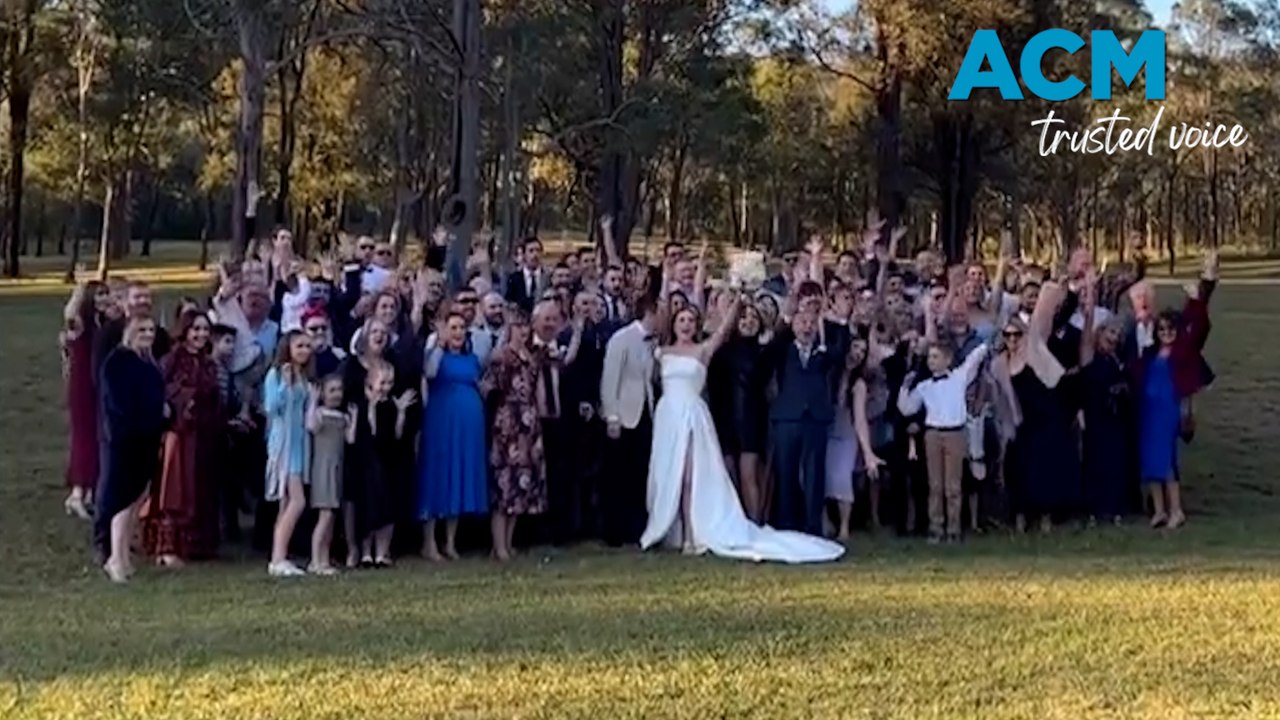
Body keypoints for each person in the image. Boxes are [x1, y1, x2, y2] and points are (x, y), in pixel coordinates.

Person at [641, 292, 844, 563]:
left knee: (691, 476)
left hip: (692, 416)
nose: (686, 324)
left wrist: (737, 296)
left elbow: (725, 328)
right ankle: (668, 530)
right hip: (668, 416)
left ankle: (692, 535)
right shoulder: (661, 352)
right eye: (681, 319)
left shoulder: (705, 349)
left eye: (691, 320)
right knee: (668, 474)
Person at [1133, 252, 1217, 529]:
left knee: (1166, 459)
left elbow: (1200, 327)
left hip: (1169, 410)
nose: (1166, 332)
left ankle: (1176, 510)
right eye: (1162, 329)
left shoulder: (1184, 351)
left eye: (1171, 329)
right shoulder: (1150, 352)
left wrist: (1195, 299)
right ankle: (1158, 511)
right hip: (1148, 410)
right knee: (1149, 460)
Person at [141, 310, 223, 567]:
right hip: (180, 435)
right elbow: (161, 392)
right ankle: (168, 548)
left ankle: (198, 545)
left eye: (205, 329)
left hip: (205, 437)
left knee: (201, 489)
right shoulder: (172, 360)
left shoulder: (210, 363)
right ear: (185, 331)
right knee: (176, 491)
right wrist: (185, 400)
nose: (201, 334)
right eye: (195, 329)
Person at [761, 309, 849, 536]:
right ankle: (786, 526)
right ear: (794, 326)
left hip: (815, 420)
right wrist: (786, 320)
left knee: (814, 475)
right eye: (802, 322)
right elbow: (769, 352)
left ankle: (812, 527)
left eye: (811, 323)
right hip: (787, 418)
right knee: (786, 473)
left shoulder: (823, 354)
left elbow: (842, 352)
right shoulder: (784, 350)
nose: (807, 327)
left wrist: (840, 321)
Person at [96, 316, 168, 582]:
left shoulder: (148, 362)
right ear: (129, 333)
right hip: (127, 441)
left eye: (151, 330)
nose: (147, 334)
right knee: (123, 501)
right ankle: (115, 558)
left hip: (147, 439)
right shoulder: (118, 362)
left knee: (137, 500)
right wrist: (149, 416)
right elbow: (118, 403)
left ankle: (124, 556)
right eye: (141, 330)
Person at [896, 341, 990, 543]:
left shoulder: (959, 377)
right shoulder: (924, 387)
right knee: (935, 484)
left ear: (948, 360)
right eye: (930, 357)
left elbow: (976, 357)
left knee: (953, 485)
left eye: (936, 357)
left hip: (955, 433)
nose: (931, 361)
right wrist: (904, 387)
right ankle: (936, 526)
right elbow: (907, 408)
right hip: (933, 434)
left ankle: (954, 527)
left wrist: (988, 341)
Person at [418, 312, 488, 561]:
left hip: (468, 427)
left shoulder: (473, 359)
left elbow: (479, 384)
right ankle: (429, 542)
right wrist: (439, 342)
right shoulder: (437, 356)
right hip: (441, 422)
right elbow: (430, 373)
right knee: (438, 476)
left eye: (461, 328)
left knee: (458, 476)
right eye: (453, 327)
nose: (458, 332)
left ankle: (450, 542)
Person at [480, 309, 546, 561]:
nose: (523, 330)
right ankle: (498, 546)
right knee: (504, 484)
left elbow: (537, 389)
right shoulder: (501, 356)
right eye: (517, 326)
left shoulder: (531, 355)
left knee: (522, 485)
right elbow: (487, 387)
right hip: (507, 422)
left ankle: (508, 541)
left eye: (525, 326)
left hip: (529, 422)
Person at [599, 294, 661, 547]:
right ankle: (614, 531)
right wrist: (612, 415)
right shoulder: (621, 339)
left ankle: (636, 527)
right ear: (650, 312)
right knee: (618, 475)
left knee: (639, 474)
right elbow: (610, 378)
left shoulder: (654, 342)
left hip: (645, 412)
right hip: (624, 415)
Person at [708, 301, 769, 523]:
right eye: (743, 317)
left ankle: (755, 523)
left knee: (749, 475)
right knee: (728, 475)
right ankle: (733, 522)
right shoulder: (721, 352)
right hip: (725, 418)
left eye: (754, 317)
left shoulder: (763, 352)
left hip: (751, 420)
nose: (749, 321)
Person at [348, 363, 414, 566]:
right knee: (370, 507)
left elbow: (397, 434)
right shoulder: (362, 406)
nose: (386, 387)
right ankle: (366, 552)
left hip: (390, 459)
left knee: (388, 508)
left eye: (390, 383)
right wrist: (371, 407)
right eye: (382, 383)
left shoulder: (393, 405)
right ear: (370, 384)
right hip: (370, 461)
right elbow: (371, 432)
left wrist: (401, 412)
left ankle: (383, 552)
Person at [262, 330, 314, 577]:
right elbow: (272, 408)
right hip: (283, 443)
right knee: (297, 500)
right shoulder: (275, 375)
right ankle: (278, 556)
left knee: (286, 504)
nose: (304, 350)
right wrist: (284, 385)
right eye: (299, 346)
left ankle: (278, 556)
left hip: (298, 443)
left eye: (307, 346)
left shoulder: (304, 377)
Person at [61, 281, 109, 519]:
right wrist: (79, 291)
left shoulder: (104, 323)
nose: (104, 298)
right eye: (99, 294)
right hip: (82, 387)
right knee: (84, 438)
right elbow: (69, 314)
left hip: (97, 385)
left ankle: (89, 492)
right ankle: (77, 494)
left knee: (97, 437)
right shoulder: (81, 324)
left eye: (106, 294)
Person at [306, 375, 354, 574]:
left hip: (337, 467)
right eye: (332, 390)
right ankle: (315, 560)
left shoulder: (342, 417)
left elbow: (349, 439)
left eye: (339, 390)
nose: (336, 395)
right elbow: (311, 426)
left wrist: (354, 419)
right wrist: (312, 402)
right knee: (324, 515)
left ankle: (324, 559)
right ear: (323, 393)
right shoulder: (319, 413)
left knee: (332, 517)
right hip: (323, 468)